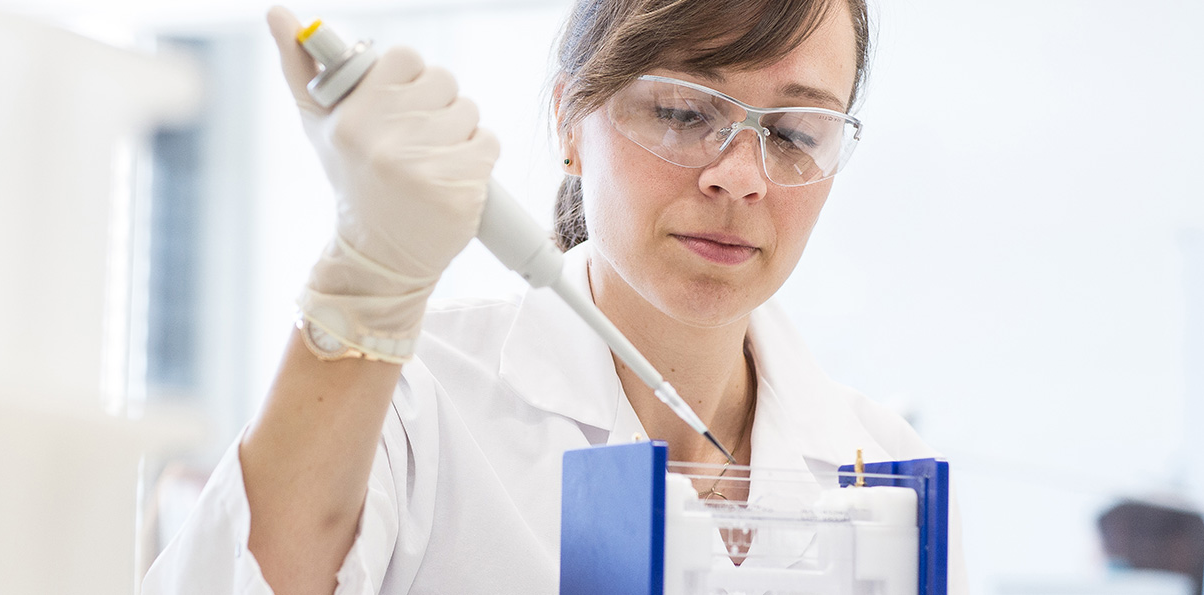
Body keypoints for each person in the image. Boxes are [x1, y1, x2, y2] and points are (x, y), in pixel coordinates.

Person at [142, 0, 968, 593]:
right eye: (684, 112)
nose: (740, 176)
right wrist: (364, 280)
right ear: (572, 123)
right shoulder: (415, 403)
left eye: (793, 133)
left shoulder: (881, 466)